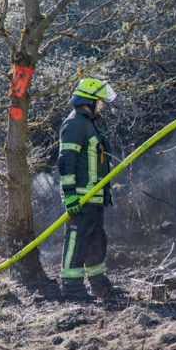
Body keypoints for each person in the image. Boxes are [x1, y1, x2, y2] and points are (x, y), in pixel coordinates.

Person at [57, 77, 117, 301]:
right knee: (77, 239)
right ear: (89, 101)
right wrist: (70, 195)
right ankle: (71, 287)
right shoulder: (74, 124)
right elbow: (66, 161)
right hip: (81, 197)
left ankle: (99, 285)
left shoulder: (88, 124)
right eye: (99, 102)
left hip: (94, 197)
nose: (101, 106)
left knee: (96, 241)